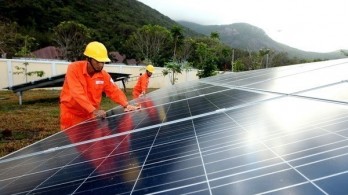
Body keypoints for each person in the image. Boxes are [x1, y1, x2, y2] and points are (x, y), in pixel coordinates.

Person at [60, 41, 138, 130]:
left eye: (103, 62)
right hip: (72, 114)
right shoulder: (74, 69)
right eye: (97, 62)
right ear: (88, 59)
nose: (101, 65)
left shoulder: (104, 75)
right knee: (75, 142)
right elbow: (77, 93)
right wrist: (94, 110)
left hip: (91, 115)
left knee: (94, 141)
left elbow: (114, 90)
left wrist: (125, 105)